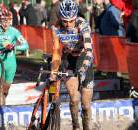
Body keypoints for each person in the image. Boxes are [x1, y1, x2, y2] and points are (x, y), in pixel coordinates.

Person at [50, 0, 94, 130]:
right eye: (64, 21)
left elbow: (89, 51)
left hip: (84, 58)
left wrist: (83, 68)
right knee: (74, 99)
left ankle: (87, 127)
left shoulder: (83, 24)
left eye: (71, 20)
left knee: (86, 105)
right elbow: (57, 51)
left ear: (75, 17)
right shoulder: (57, 28)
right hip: (68, 59)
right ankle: (76, 126)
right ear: (60, 18)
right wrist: (54, 72)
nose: (68, 24)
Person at [0, 9, 29, 106]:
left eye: (8, 20)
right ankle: (1, 109)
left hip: (11, 62)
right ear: (0, 20)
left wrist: (14, 47)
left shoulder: (14, 32)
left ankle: (0, 103)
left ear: (11, 20)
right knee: (0, 86)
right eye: (4, 20)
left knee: (5, 89)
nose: (6, 23)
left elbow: (26, 45)